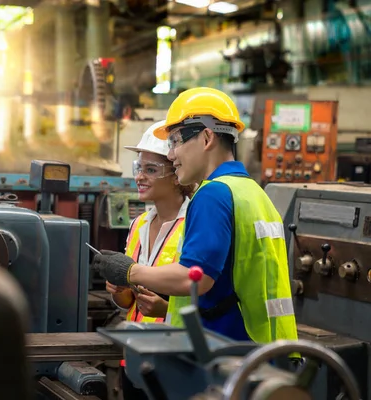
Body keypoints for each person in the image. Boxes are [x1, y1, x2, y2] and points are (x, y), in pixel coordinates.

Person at [94, 87, 298, 346]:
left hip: (227, 352)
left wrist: (130, 272)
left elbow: (195, 277)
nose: (171, 155)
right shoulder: (254, 193)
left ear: (206, 137)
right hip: (267, 349)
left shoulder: (213, 194)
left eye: (176, 141)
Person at [106, 120, 195, 400]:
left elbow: (206, 295)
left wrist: (165, 309)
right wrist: (119, 291)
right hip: (134, 354)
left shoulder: (193, 224)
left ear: (176, 175)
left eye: (151, 170)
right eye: (138, 168)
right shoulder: (138, 224)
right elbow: (127, 304)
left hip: (174, 360)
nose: (140, 177)